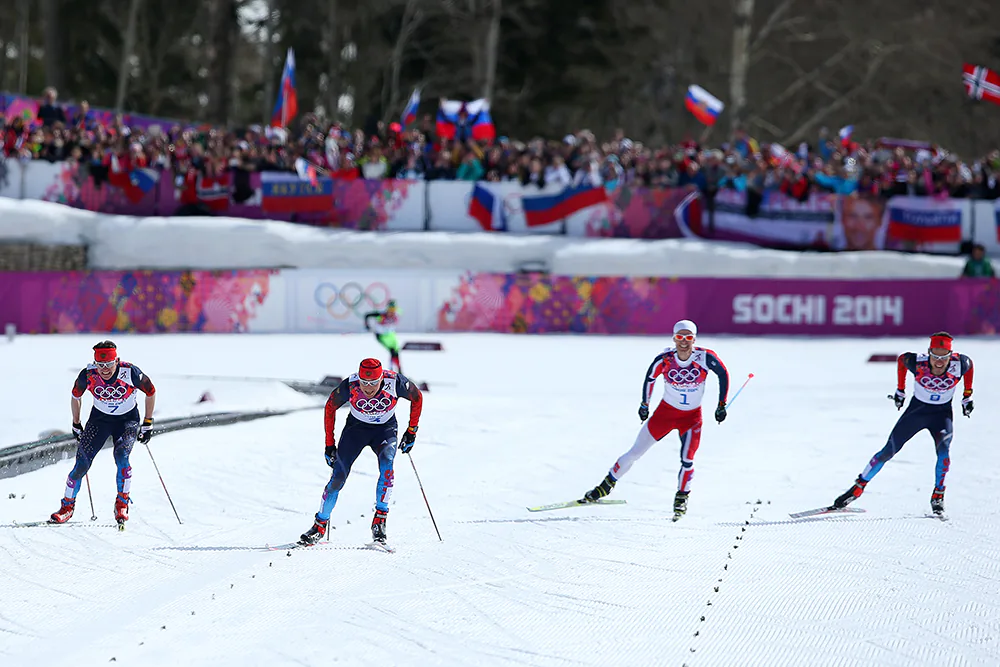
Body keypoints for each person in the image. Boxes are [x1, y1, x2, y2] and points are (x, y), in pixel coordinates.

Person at [581, 320, 730, 519]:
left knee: (687, 459)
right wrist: (645, 405)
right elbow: (650, 378)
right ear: (674, 338)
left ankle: (681, 498)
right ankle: (604, 486)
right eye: (679, 337)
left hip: (692, 418)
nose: (684, 342)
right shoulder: (665, 359)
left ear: (694, 339)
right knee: (635, 452)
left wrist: (721, 405)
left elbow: (723, 374)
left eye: (688, 338)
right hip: (665, 415)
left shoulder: (705, 357)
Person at [832, 332, 974, 515]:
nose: (939, 362)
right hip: (917, 412)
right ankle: (858, 488)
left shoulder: (961, 364)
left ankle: (938, 496)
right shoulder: (917, 362)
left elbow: (970, 368)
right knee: (888, 450)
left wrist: (967, 395)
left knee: (944, 454)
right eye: (935, 356)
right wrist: (900, 390)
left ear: (951, 355)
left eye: (944, 356)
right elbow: (901, 360)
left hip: (941, 415)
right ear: (929, 352)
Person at [300, 358, 424, 546]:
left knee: (387, 469)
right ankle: (319, 526)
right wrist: (329, 445)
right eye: (364, 382)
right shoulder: (350, 385)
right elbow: (330, 407)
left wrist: (412, 430)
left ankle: (380, 521)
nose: (367, 388)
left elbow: (417, 398)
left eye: (373, 383)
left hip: (385, 430)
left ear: (381, 378)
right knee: (338, 477)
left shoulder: (395, 382)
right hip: (355, 430)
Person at [49, 341, 157, 525]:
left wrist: (148, 422)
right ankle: (67, 506)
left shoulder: (130, 372)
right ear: (95, 363)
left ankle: (122, 503)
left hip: (127, 420)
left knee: (122, 458)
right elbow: (76, 396)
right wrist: (76, 423)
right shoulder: (88, 375)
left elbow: (151, 392)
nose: (105, 369)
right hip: (99, 420)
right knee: (81, 464)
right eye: (100, 365)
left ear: (117, 360)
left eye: (108, 364)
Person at [364, 299, 402, 372]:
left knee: (396, 351)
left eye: (393, 309)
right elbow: (367, 315)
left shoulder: (397, 313)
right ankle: (392, 370)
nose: (392, 311)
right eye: (390, 309)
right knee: (392, 351)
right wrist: (367, 325)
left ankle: (399, 370)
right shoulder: (381, 315)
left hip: (391, 335)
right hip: (381, 336)